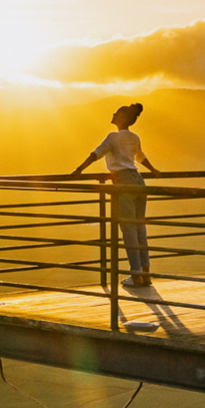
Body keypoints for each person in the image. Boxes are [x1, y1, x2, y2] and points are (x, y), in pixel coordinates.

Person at [69, 102, 161, 287]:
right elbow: (140, 157)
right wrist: (154, 170)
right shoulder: (134, 137)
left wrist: (78, 170)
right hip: (138, 181)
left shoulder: (112, 137)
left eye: (116, 113)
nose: (113, 114)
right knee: (140, 228)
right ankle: (145, 273)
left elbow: (96, 154)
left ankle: (135, 275)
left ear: (123, 118)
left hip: (123, 183)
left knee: (128, 230)